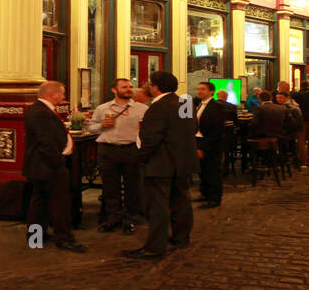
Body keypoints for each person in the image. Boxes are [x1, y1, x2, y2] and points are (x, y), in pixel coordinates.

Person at [124, 71, 196, 260]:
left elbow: (151, 138)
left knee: (157, 206)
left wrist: (141, 159)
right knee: (181, 201)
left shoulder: (158, 107)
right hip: (182, 162)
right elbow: (191, 130)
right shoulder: (185, 103)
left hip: (161, 164)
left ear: (155, 87)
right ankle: (181, 238)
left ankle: (155, 247)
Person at [23, 81, 86, 253]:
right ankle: (64, 238)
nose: (64, 97)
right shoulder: (40, 112)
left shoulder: (40, 110)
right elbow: (46, 143)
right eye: (62, 93)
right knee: (60, 204)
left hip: (42, 167)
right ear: (53, 94)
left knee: (39, 203)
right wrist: (58, 163)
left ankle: (36, 237)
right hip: (48, 167)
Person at [86, 77, 147, 234]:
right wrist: (101, 125)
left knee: (132, 187)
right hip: (108, 151)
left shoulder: (142, 109)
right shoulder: (102, 108)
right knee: (109, 187)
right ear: (114, 90)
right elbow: (91, 128)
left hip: (131, 150)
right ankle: (113, 218)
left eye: (130, 86)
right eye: (124, 87)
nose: (129, 89)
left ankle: (129, 219)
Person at [193, 81, 226, 208]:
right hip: (198, 140)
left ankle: (214, 198)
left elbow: (217, 130)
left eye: (202, 89)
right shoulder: (199, 104)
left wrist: (203, 147)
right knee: (202, 170)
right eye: (198, 89)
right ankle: (205, 193)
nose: (199, 91)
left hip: (210, 144)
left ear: (211, 91)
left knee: (212, 171)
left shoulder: (216, 106)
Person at [274, 88, 305, 166]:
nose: (278, 99)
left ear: (287, 98)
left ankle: (280, 159)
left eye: (281, 98)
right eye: (277, 98)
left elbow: (291, 123)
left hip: (289, 132)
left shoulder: (288, 107)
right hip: (293, 132)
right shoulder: (294, 104)